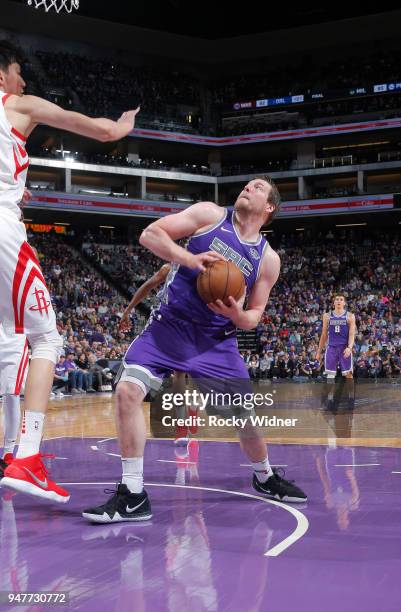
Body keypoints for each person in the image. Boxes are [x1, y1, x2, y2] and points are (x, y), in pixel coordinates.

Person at [83, 176, 307, 524]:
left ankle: (264, 477)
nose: (249, 187)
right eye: (248, 184)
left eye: (259, 187)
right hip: (168, 327)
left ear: (269, 208)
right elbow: (150, 234)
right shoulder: (209, 214)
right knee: (127, 390)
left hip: (215, 341)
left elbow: (255, 315)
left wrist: (237, 314)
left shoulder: (268, 259)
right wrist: (187, 258)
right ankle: (133, 494)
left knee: (243, 417)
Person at [0, 40, 139, 502]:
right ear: (3, 76)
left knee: (10, 334)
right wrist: (120, 126)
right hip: (2, 232)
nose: (23, 81)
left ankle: (13, 449)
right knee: (47, 339)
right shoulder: (16, 104)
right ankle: (27, 457)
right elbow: (96, 131)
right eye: (19, 73)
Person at [316, 294, 356, 411]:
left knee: (348, 374)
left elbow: (352, 334)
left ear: (344, 303)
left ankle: (350, 398)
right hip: (331, 348)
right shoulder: (327, 316)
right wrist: (319, 351)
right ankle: (331, 400)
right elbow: (323, 335)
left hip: (344, 348)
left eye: (341, 299)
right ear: (333, 302)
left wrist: (349, 347)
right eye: (337, 299)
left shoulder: (350, 316)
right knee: (330, 375)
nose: (339, 301)